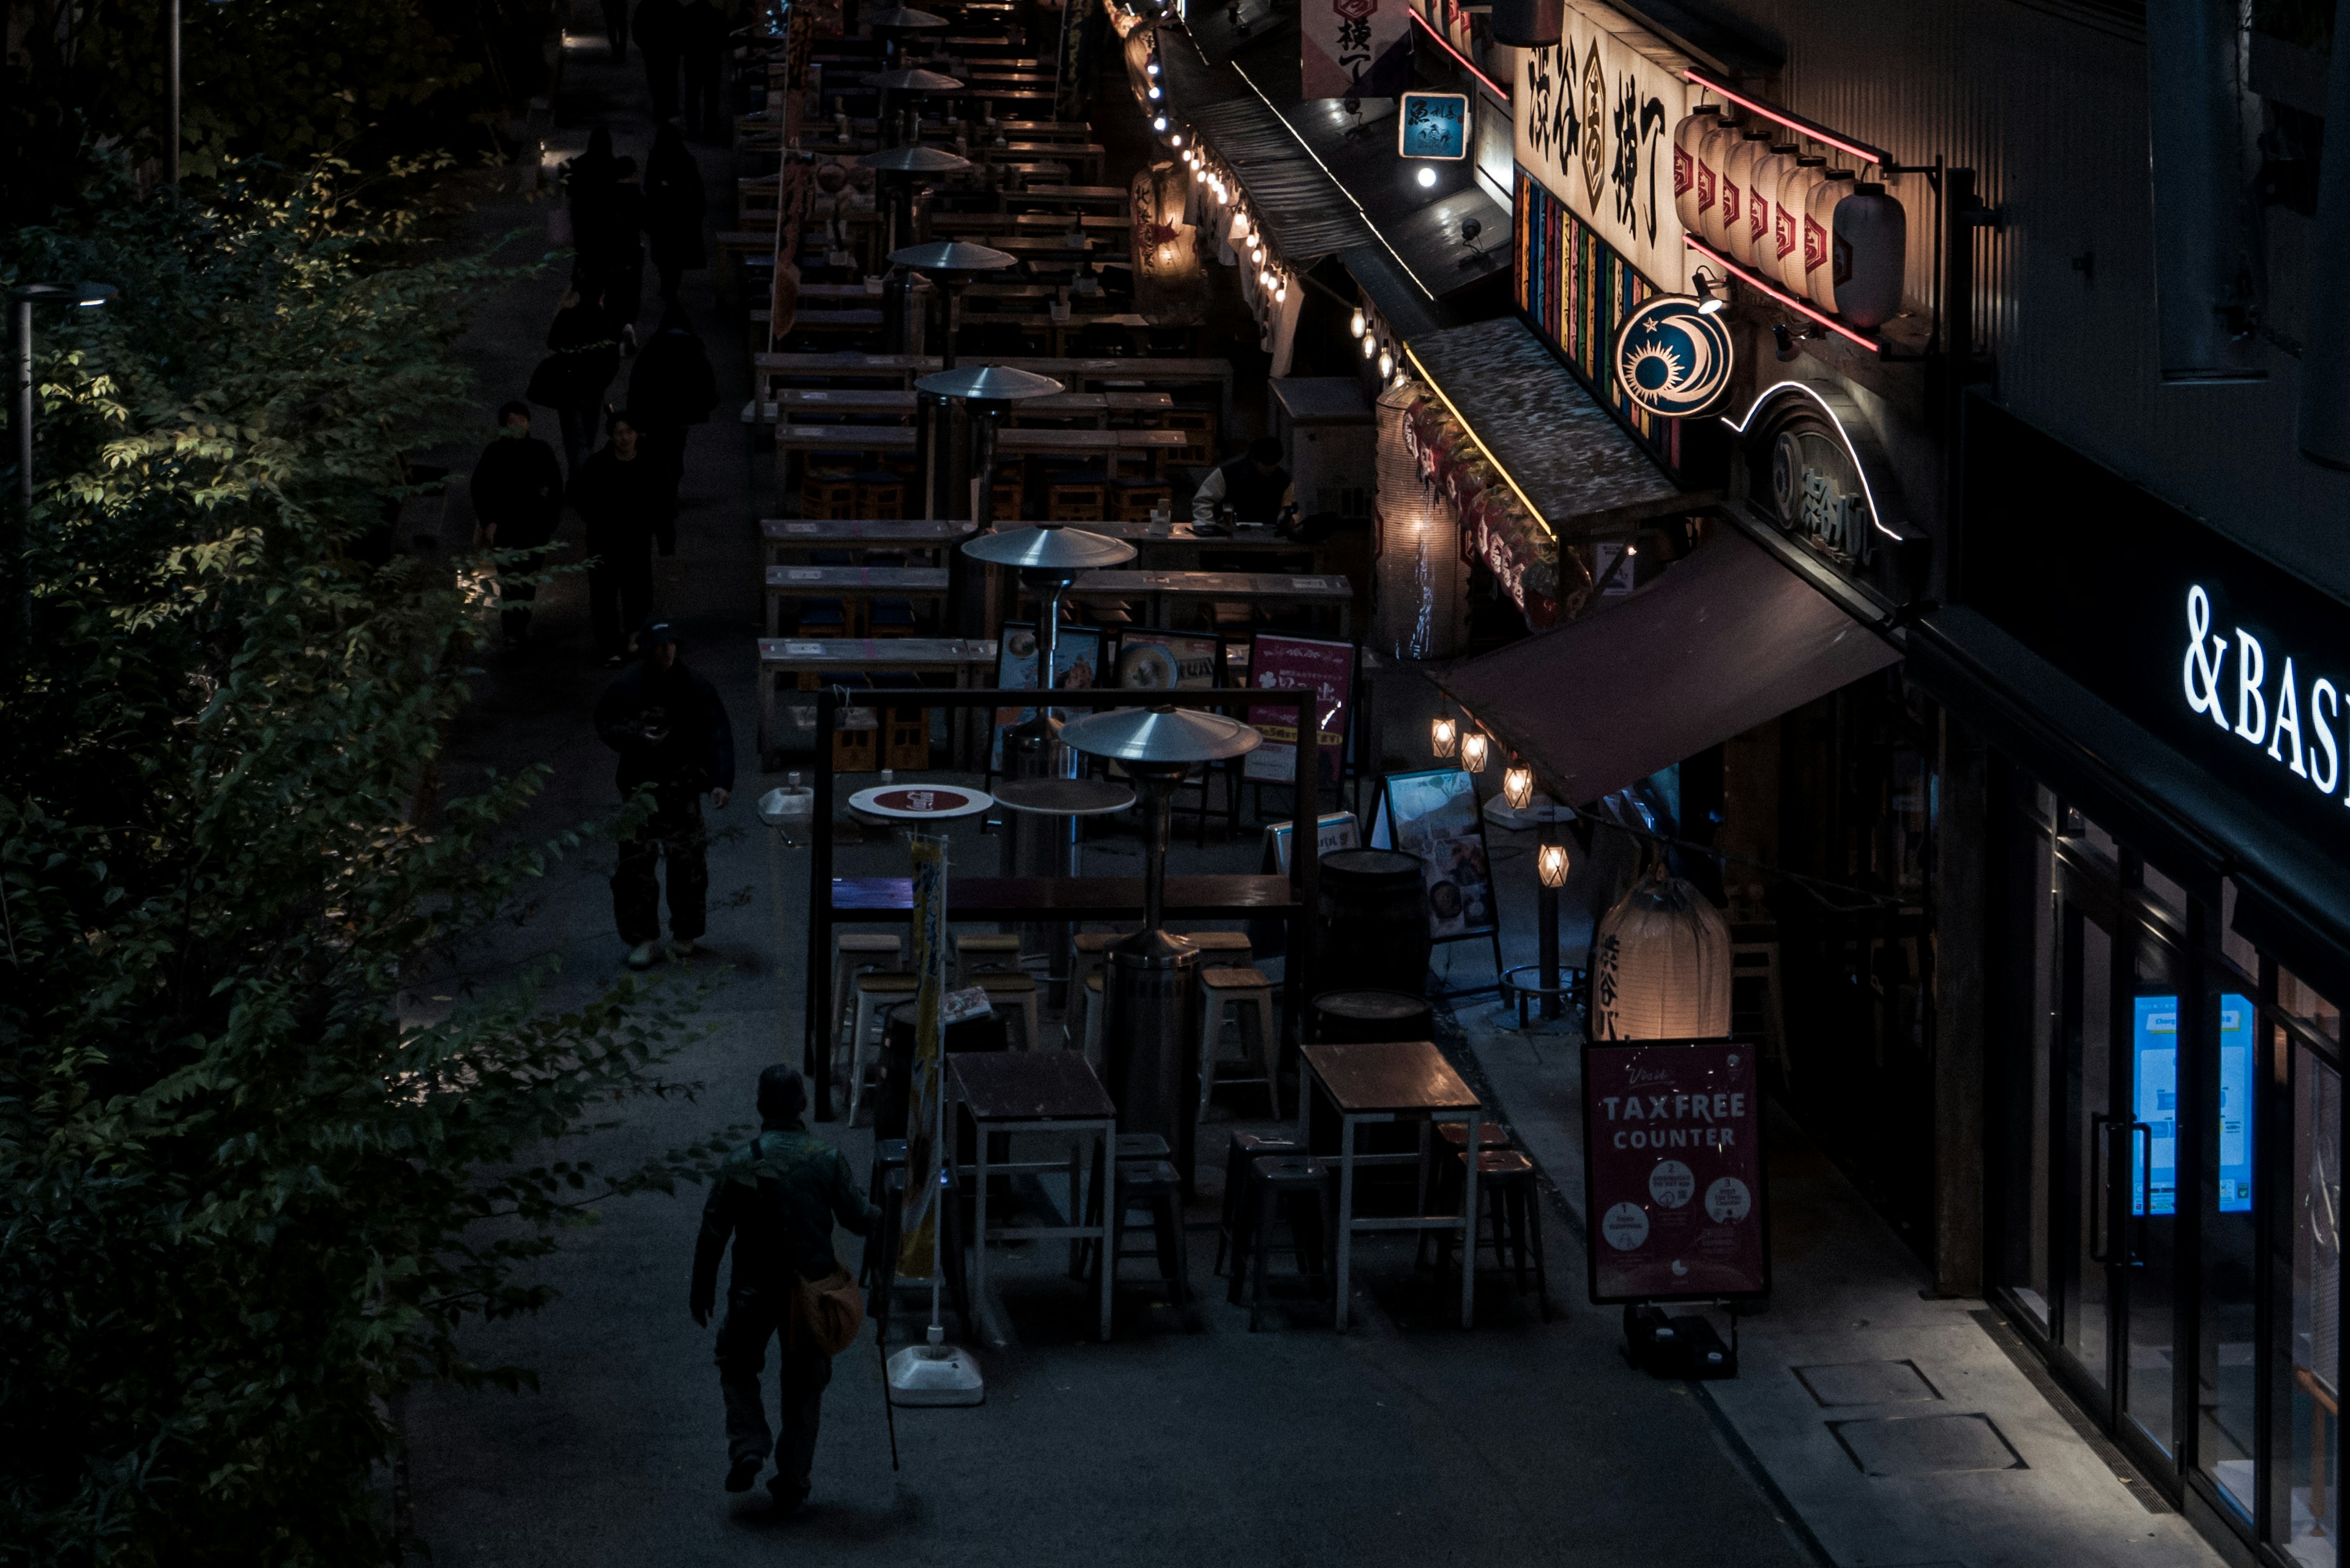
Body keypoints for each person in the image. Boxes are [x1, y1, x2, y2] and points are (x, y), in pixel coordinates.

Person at [690, 1066, 878, 1510]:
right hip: (810, 1293)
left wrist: (702, 1289)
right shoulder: (826, 1158)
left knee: (737, 1363)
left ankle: (749, 1442)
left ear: (759, 1106)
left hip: (752, 1289)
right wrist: (896, 1216)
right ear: (803, 1104)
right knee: (804, 1382)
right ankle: (794, 1476)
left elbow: (713, 1231)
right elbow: (857, 1217)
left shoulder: (740, 1162)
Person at [595, 621, 733, 967]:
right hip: (639, 791)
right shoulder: (628, 687)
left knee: (688, 865)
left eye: (671, 645)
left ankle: (685, 932)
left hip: (682, 789)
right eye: (660, 646)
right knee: (634, 869)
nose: (668, 651)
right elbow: (606, 723)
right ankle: (641, 937)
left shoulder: (696, 688)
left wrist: (721, 780)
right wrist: (637, 735)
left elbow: (718, 733)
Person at [573, 411, 674, 664]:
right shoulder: (597, 465)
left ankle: (633, 635)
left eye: (629, 432)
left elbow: (663, 501)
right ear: (612, 436)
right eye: (620, 433)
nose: (625, 438)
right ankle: (609, 645)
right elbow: (582, 498)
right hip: (603, 540)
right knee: (603, 595)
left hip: (636, 539)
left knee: (637, 591)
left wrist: (662, 535)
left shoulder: (650, 463)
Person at [468, 401, 565, 647]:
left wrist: (549, 521)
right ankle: (513, 630)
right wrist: (489, 520)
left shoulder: (541, 450)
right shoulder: (495, 452)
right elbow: (479, 488)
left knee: (527, 580)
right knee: (511, 580)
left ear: (528, 422)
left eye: (521, 419)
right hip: (507, 529)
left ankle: (518, 626)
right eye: (512, 421)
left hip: (534, 528)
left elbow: (556, 487)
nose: (518, 425)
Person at [627, 304, 719, 509]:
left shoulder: (653, 347)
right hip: (682, 413)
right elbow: (705, 380)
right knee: (676, 450)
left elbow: (638, 381)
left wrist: (634, 414)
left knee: (656, 451)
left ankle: (657, 491)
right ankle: (671, 492)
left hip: (655, 413)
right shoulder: (693, 347)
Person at [539, 286, 623, 480]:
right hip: (594, 389)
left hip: (569, 386)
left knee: (575, 439)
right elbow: (613, 360)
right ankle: (582, 482)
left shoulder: (568, 316)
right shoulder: (606, 320)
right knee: (588, 437)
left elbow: (553, 343)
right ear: (601, 296)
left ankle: (578, 480)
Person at [642, 124, 707, 302]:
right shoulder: (686, 159)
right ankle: (671, 289)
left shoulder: (655, 158)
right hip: (682, 217)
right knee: (677, 257)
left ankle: (666, 287)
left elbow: (649, 186)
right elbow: (697, 190)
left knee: (664, 256)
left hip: (662, 216)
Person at [1190, 435, 1295, 525]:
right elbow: (1203, 501)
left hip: (1266, 536)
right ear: (1254, 459)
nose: (1271, 469)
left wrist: (1286, 521)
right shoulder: (1228, 473)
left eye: (1274, 465)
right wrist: (1210, 527)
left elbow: (1287, 507)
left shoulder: (1282, 479)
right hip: (1228, 535)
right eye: (1266, 465)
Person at [679, 0, 729, 139]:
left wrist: (687, 51)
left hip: (693, 60)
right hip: (712, 60)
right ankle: (710, 127)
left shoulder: (687, 13)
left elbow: (680, 36)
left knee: (692, 95)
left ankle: (693, 128)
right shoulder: (717, 14)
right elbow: (724, 38)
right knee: (711, 95)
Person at [635, 0, 686, 124]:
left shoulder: (646, 5)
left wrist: (643, 44)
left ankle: (659, 112)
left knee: (655, 81)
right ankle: (671, 111)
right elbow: (683, 27)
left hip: (652, 50)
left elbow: (637, 27)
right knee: (670, 80)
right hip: (670, 51)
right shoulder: (674, 5)